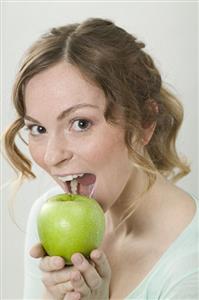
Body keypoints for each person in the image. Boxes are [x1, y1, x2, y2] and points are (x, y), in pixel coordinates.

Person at [3, 18, 198, 300]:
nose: (51, 156)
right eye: (38, 129)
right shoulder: (44, 217)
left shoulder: (190, 269)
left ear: (144, 121)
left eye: (80, 123)